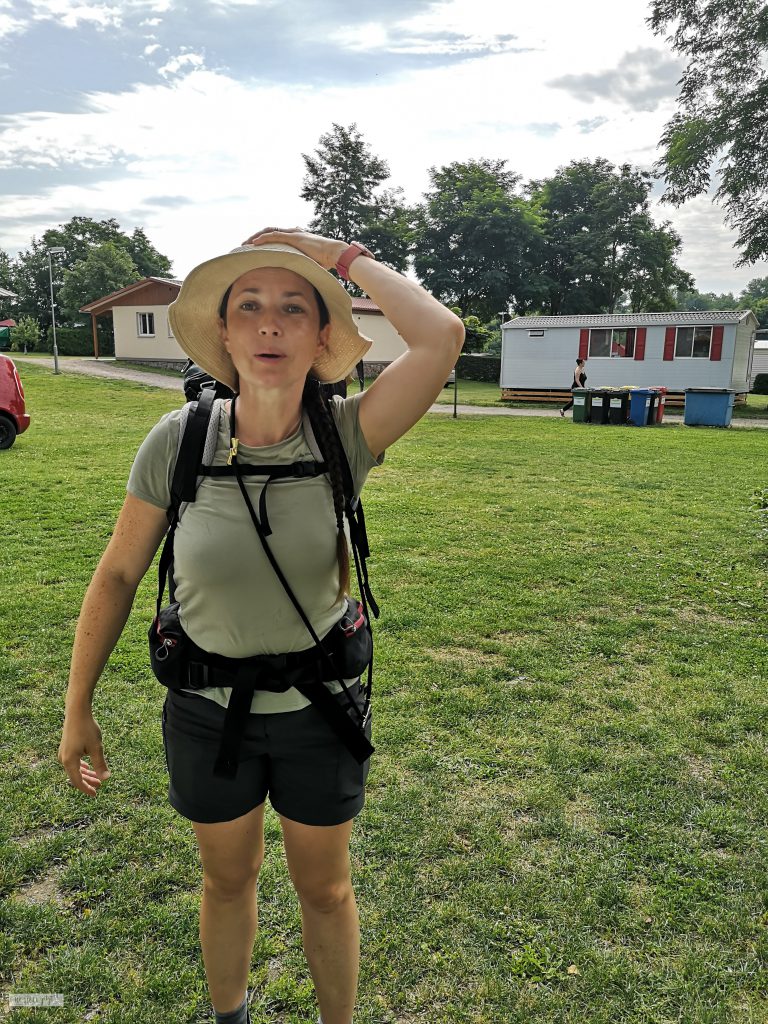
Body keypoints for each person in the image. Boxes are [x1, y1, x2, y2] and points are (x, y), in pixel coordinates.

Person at [57, 228, 465, 1024]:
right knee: (226, 880)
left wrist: (338, 255)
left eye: (291, 309)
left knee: (326, 887)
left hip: (319, 715)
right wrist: (78, 705)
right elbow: (117, 573)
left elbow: (442, 335)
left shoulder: (349, 434)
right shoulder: (177, 442)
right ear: (224, 334)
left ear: (321, 338)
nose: (269, 324)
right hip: (208, 715)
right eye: (249, 308)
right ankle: (230, 1017)